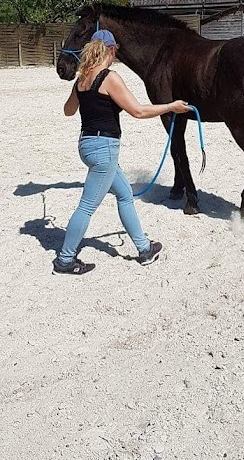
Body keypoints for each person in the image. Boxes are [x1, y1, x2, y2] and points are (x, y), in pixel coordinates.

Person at [53, 29, 190, 276]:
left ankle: (144, 248)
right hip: (104, 149)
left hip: (87, 145)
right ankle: (65, 259)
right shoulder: (109, 78)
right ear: (111, 50)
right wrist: (171, 106)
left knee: (125, 194)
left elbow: (68, 111)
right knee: (86, 207)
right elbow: (137, 111)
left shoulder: (82, 78)